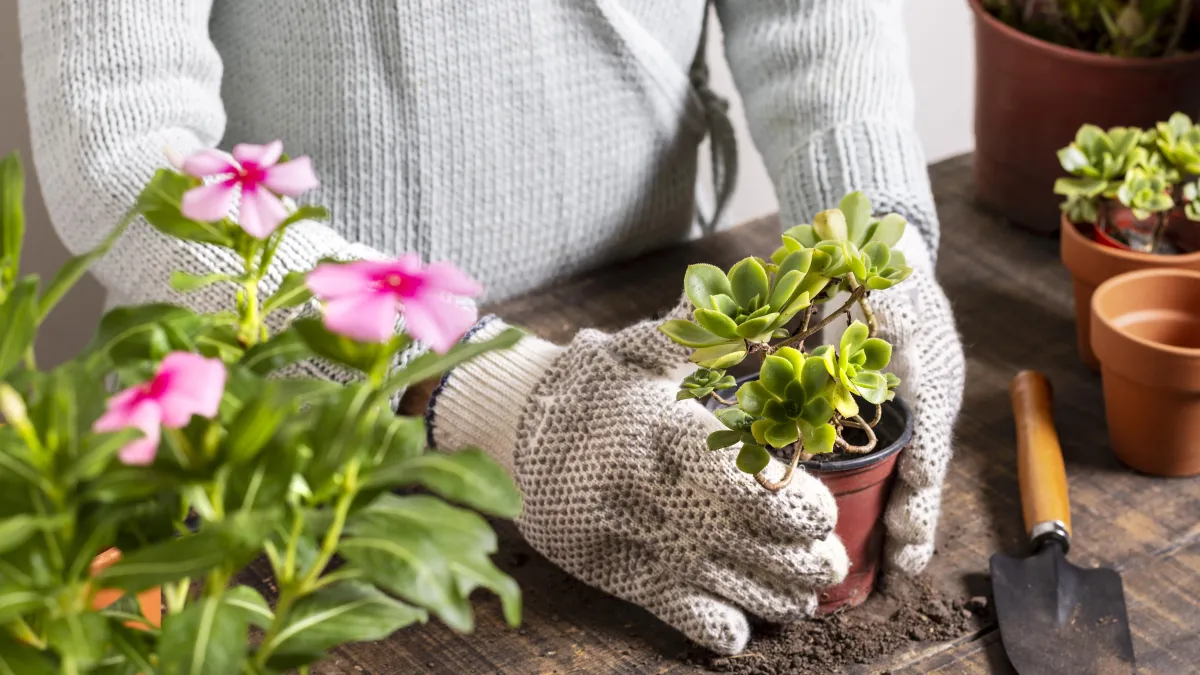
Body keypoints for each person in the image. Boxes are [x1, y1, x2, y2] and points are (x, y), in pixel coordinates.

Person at [19, 0, 964, 655]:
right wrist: (474, 387)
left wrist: (875, 240)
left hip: (660, 362)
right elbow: (125, 145)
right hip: (284, 452)